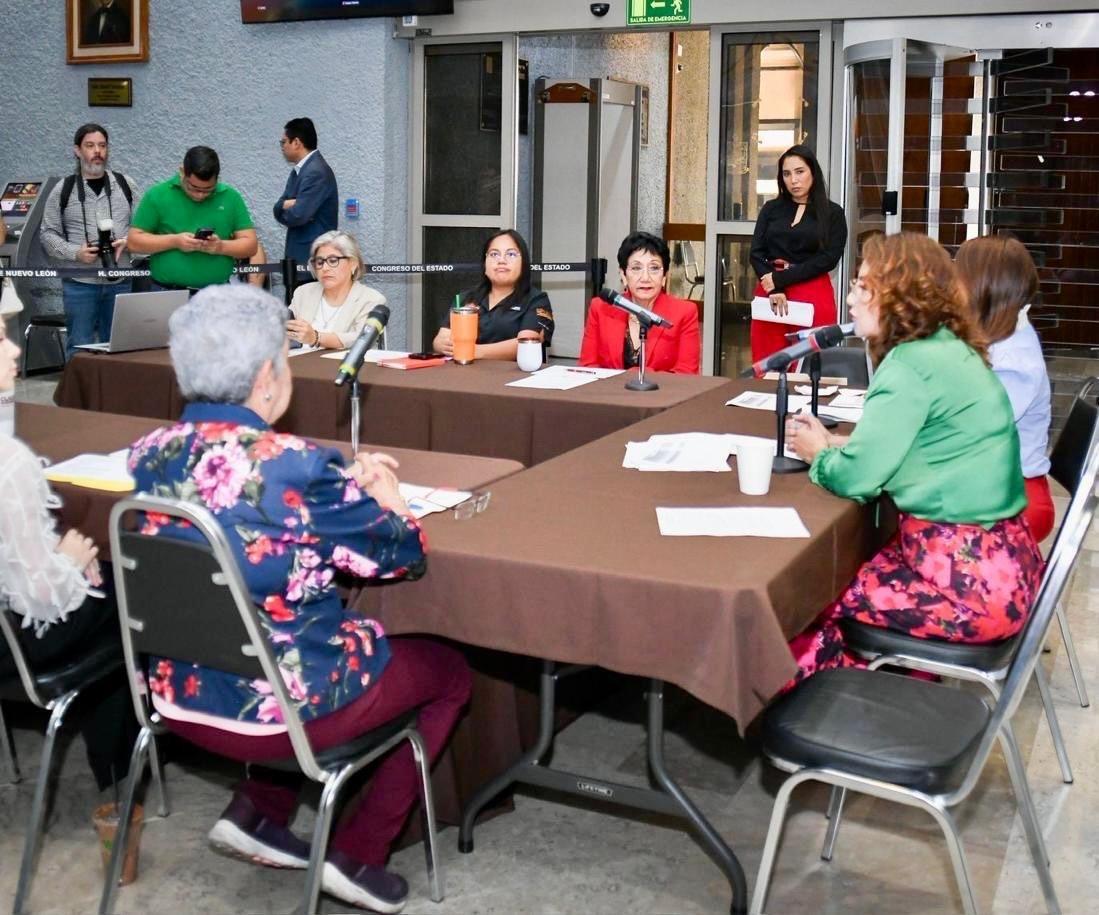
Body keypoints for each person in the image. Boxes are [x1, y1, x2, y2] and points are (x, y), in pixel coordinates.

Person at [127, 285, 470, 913]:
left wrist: (342, 488)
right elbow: (400, 554)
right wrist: (389, 500)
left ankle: (258, 811)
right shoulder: (297, 466)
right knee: (448, 672)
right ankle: (360, 852)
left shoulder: (149, 455)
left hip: (175, 698)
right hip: (282, 719)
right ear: (267, 378)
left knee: (274, 633)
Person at [783, 233, 1042, 685]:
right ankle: (887, 687)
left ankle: (828, 704)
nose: (850, 299)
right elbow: (914, 449)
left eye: (862, 286)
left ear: (899, 295)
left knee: (808, 591)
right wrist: (838, 446)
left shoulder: (908, 366)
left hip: (965, 589)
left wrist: (819, 455)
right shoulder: (949, 349)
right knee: (843, 567)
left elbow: (857, 479)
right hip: (1005, 570)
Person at [0, 319, 135, 791]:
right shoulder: (9, 462)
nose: (15, 351)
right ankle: (118, 776)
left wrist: (53, 552)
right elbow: (43, 597)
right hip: (13, 646)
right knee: (122, 591)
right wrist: (71, 559)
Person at [956, 235, 1054, 542]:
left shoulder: (1015, 362)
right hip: (991, 479)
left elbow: (971, 432)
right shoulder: (999, 335)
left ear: (982, 287)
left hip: (1014, 494)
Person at [39, 123, 139, 356]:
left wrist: (128, 241)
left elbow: (144, 228)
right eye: (90, 145)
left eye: (102, 146)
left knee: (119, 349)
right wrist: (75, 253)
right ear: (77, 150)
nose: (97, 151)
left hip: (120, 281)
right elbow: (47, 234)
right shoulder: (63, 189)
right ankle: (79, 383)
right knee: (79, 348)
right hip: (79, 284)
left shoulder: (126, 185)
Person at [749, 144, 847, 362]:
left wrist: (780, 279)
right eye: (786, 174)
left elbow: (829, 259)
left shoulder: (833, 213)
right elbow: (756, 252)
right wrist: (775, 287)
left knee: (811, 363)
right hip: (770, 292)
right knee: (768, 362)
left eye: (800, 172)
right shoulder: (770, 209)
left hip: (812, 289)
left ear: (813, 172)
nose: (793, 180)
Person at [127, 146, 257, 293]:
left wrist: (220, 247)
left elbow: (251, 245)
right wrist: (175, 241)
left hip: (216, 294)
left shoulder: (231, 197)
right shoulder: (157, 195)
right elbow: (133, 242)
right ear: (182, 172)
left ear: (217, 178)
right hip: (167, 291)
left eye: (208, 189)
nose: (200, 195)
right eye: (193, 187)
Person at [578, 231, 700, 373]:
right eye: (636, 268)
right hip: (609, 388)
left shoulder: (684, 313)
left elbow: (686, 373)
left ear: (664, 276)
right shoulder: (600, 308)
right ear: (623, 275)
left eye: (654, 268)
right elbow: (587, 367)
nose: (645, 278)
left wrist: (639, 377)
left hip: (661, 389)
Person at [431, 229, 554, 360]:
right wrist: (441, 344)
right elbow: (441, 338)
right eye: (494, 254)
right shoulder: (465, 298)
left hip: (513, 372)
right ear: (485, 263)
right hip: (466, 370)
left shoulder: (537, 300)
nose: (501, 260)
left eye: (511, 254)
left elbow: (526, 344)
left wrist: (473, 351)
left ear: (523, 263)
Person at [286, 230, 385, 350]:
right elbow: (285, 330)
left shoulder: (372, 299)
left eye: (333, 261)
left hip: (346, 361)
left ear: (353, 264)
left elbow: (362, 338)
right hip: (299, 360)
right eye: (319, 262)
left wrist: (316, 338)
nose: (325, 268)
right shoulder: (303, 292)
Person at [274, 117, 338, 289]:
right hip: (301, 262)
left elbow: (298, 215)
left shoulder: (315, 172)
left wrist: (288, 207)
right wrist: (283, 205)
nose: (282, 147)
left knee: (308, 307)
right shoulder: (300, 171)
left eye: (284, 142)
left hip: (312, 261)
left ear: (296, 142)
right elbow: (278, 207)